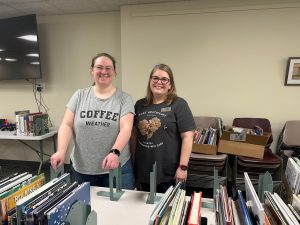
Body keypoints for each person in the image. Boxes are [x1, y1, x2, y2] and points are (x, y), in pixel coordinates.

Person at [50, 53, 135, 189]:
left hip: (116, 166)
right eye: (99, 67)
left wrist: (115, 152)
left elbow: (126, 129)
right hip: (83, 168)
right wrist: (61, 151)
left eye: (108, 68)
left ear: (114, 72)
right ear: (92, 71)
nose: (104, 72)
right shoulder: (79, 95)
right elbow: (66, 124)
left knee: (119, 208)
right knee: (86, 208)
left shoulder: (124, 99)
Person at [132, 63, 196, 193]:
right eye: (155, 78)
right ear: (150, 81)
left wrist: (183, 167)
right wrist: (133, 163)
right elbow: (133, 136)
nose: (159, 82)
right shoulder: (139, 105)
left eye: (164, 79)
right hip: (143, 172)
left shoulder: (179, 104)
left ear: (170, 84)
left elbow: (188, 136)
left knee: (169, 212)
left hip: (169, 174)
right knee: (143, 210)